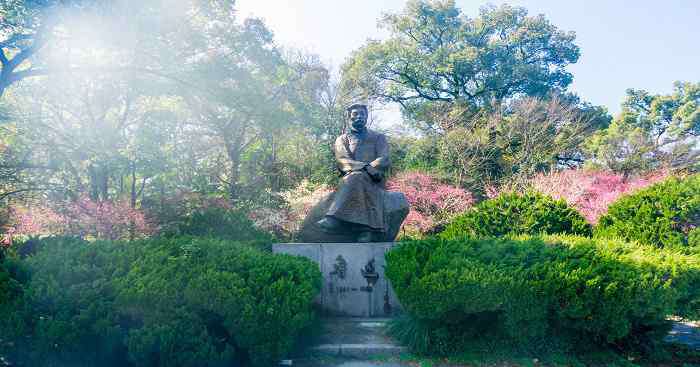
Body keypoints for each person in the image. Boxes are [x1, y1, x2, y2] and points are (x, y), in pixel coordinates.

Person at [316, 103, 390, 242]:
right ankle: (365, 230)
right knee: (355, 177)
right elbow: (342, 160)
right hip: (351, 176)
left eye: (362, 114)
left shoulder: (378, 137)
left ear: (367, 117)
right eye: (355, 114)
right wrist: (365, 167)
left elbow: (384, 158)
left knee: (357, 177)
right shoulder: (342, 139)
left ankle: (333, 219)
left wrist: (371, 169)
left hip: (374, 179)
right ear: (349, 117)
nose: (359, 117)